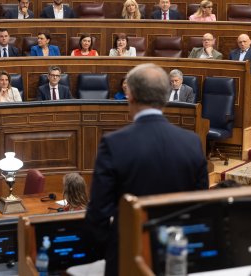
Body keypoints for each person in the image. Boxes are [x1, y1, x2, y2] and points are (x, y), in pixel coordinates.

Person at [85, 63, 208, 276]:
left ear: (130, 95)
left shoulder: (113, 143)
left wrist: (112, 248)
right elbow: (200, 207)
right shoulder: (192, 142)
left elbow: (99, 213)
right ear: (164, 96)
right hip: (175, 256)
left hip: (127, 255)